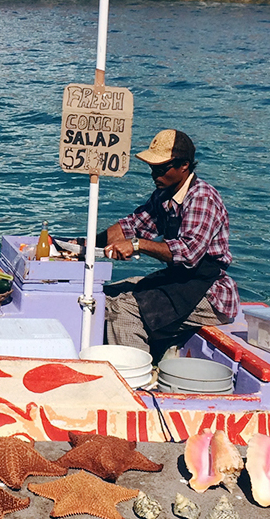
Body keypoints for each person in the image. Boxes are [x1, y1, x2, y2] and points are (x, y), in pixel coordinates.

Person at [94, 129, 239, 357]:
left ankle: (137, 380)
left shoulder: (202, 198)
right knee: (106, 294)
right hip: (178, 282)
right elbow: (132, 225)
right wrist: (83, 244)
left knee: (121, 309)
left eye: (162, 168)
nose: (154, 174)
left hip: (209, 293)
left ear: (184, 166)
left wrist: (137, 245)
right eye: (152, 168)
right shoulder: (164, 195)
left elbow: (189, 254)